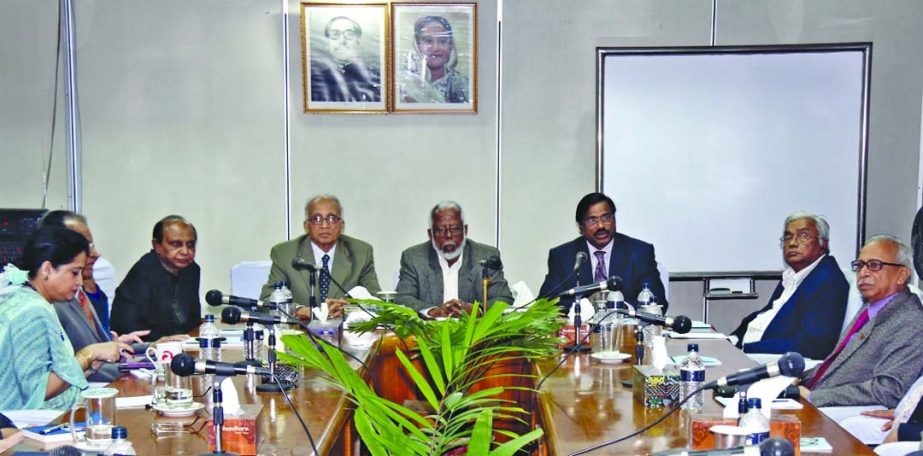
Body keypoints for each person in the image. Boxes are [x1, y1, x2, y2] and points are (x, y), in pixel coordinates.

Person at [40, 211, 184, 381]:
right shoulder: (51, 303)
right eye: (85, 246)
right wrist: (147, 365)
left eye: (91, 244)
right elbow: (78, 367)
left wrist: (153, 347)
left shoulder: (79, 290)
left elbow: (100, 348)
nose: (95, 253)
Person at [0, 226, 130, 410]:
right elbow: (39, 390)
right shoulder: (33, 310)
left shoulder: (32, 299)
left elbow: (60, 376)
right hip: (35, 425)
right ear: (47, 269)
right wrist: (88, 354)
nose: (79, 282)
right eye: (74, 273)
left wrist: (92, 364)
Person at [799, 235, 923, 408]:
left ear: (901, 274)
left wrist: (815, 397)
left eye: (874, 265)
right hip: (813, 397)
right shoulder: (871, 307)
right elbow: (837, 365)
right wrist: (798, 379)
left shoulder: (911, 321)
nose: (863, 273)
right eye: (859, 265)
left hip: (835, 410)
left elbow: (889, 390)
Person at [729, 212, 849, 359]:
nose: (792, 243)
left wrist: (743, 349)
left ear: (823, 244)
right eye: (787, 237)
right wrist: (732, 340)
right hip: (747, 351)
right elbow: (768, 314)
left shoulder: (828, 281)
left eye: (803, 236)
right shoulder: (794, 275)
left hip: (768, 362)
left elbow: (813, 345)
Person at [539, 192, 667, 314]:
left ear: (614, 220)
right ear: (580, 227)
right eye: (592, 220)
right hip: (581, 331)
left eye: (606, 217)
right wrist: (586, 305)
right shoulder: (562, 256)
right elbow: (547, 303)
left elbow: (657, 301)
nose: (601, 225)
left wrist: (618, 306)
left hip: (626, 331)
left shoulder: (640, 252)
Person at [261, 195, 380, 320]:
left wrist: (345, 309)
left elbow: (376, 303)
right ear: (306, 226)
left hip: (346, 332)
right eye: (317, 219)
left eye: (332, 218)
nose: (324, 225)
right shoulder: (284, 254)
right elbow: (266, 302)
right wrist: (303, 311)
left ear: (342, 225)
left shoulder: (361, 253)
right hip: (301, 331)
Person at [395, 200, 513, 318]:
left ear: (465, 230)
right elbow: (403, 299)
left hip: (475, 332)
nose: (449, 235)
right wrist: (434, 312)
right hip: (429, 333)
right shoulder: (414, 257)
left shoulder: (485, 256)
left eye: (455, 229)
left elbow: (503, 299)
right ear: (430, 234)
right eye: (441, 229)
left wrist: (477, 310)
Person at [110, 215, 201, 342]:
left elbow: (193, 320)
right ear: (157, 245)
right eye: (176, 244)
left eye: (190, 245)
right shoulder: (143, 272)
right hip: (144, 349)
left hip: (182, 344)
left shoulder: (192, 270)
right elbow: (127, 328)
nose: (185, 251)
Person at [399, 15, 469, 104]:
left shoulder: (464, 85)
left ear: (451, 46)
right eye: (428, 41)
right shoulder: (403, 84)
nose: (435, 48)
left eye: (442, 41)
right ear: (417, 46)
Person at [311, 16, 381, 103]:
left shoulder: (375, 78)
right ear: (327, 42)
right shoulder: (316, 81)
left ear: (358, 40)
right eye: (335, 34)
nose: (342, 41)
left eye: (349, 34)